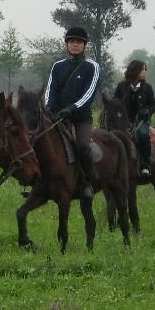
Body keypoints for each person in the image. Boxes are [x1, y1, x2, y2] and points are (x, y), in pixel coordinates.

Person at [44, 26, 101, 198]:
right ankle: (39, 183)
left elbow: (89, 93)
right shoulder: (57, 66)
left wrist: (72, 108)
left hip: (80, 119)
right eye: (71, 41)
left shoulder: (92, 66)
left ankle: (87, 182)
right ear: (67, 44)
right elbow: (50, 90)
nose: (74, 45)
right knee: (39, 140)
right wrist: (48, 108)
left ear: (84, 45)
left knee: (83, 147)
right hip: (57, 117)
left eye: (78, 42)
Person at [114, 59, 155, 177]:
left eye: (145, 70)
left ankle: (145, 165)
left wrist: (147, 111)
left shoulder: (147, 88)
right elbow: (115, 102)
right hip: (123, 120)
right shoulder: (121, 86)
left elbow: (153, 105)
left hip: (140, 121)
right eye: (143, 69)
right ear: (135, 70)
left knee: (143, 135)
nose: (145, 72)